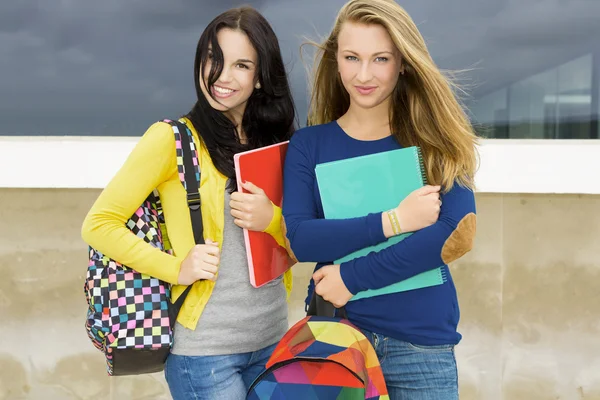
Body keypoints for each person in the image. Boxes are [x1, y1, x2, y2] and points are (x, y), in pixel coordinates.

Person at [81, 7, 296, 400]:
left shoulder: (277, 142)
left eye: (241, 65)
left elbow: (298, 240)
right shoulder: (171, 139)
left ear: (262, 76)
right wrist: (176, 268)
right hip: (205, 355)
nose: (221, 76)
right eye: (214, 59)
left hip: (273, 341)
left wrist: (272, 219)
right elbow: (98, 224)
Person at [282, 0, 477, 398]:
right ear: (336, 61)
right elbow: (302, 239)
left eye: (381, 58)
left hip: (421, 346)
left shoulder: (436, 143)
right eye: (352, 57)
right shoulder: (308, 145)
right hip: (337, 341)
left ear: (403, 62)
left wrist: (351, 278)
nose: (364, 74)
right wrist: (395, 221)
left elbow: (451, 235)